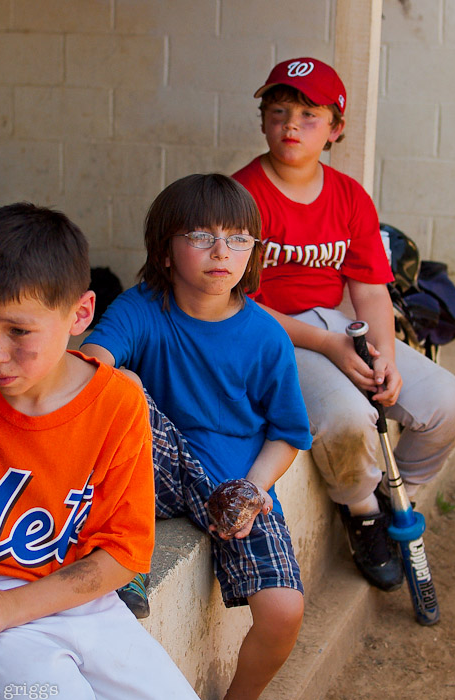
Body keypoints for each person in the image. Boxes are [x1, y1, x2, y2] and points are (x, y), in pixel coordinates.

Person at [0, 203, 198, 698]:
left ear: (81, 314)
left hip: (82, 602)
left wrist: (15, 607)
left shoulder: (117, 402)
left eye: (18, 331)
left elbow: (122, 555)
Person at [231, 58, 455, 594]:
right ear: (263, 119)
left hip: (339, 324)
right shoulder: (241, 196)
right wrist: (330, 346)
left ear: (336, 128)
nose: (292, 125)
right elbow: (233, 300)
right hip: (273, 335)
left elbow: (369, 288)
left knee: (448, 402)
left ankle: (393, 496)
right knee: (349, 420)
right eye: (279, 111)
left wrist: (381, 353)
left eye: (309, 115)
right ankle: (361, 512)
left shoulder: (348, 196)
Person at [81, 173, 312, 700]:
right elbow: (92, 362)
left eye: (237, 239)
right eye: (201, 236)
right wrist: (111, 372)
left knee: (284, 612)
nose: (221, 251)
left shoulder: (266, 337)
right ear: (165, 251)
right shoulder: (142, 307)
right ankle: (124, 556)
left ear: (252, 254)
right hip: (156, 472)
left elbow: (288, 434)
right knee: (121, 386)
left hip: (232, 486)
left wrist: (253, 489)